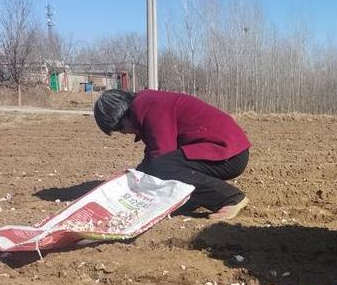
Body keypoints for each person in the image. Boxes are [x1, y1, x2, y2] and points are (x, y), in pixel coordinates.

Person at [94, 89, 251, 220]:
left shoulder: (150, 106)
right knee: (161, 166)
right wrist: (132, 178)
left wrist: (135, 186)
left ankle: (231, 198)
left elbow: (161, 157)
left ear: (123, 114)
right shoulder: (146, 105)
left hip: (229, 154)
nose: (125, 133)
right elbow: (153, 156)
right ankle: (193, 197)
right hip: (225, 151)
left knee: (162, 167)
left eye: (120, 128)